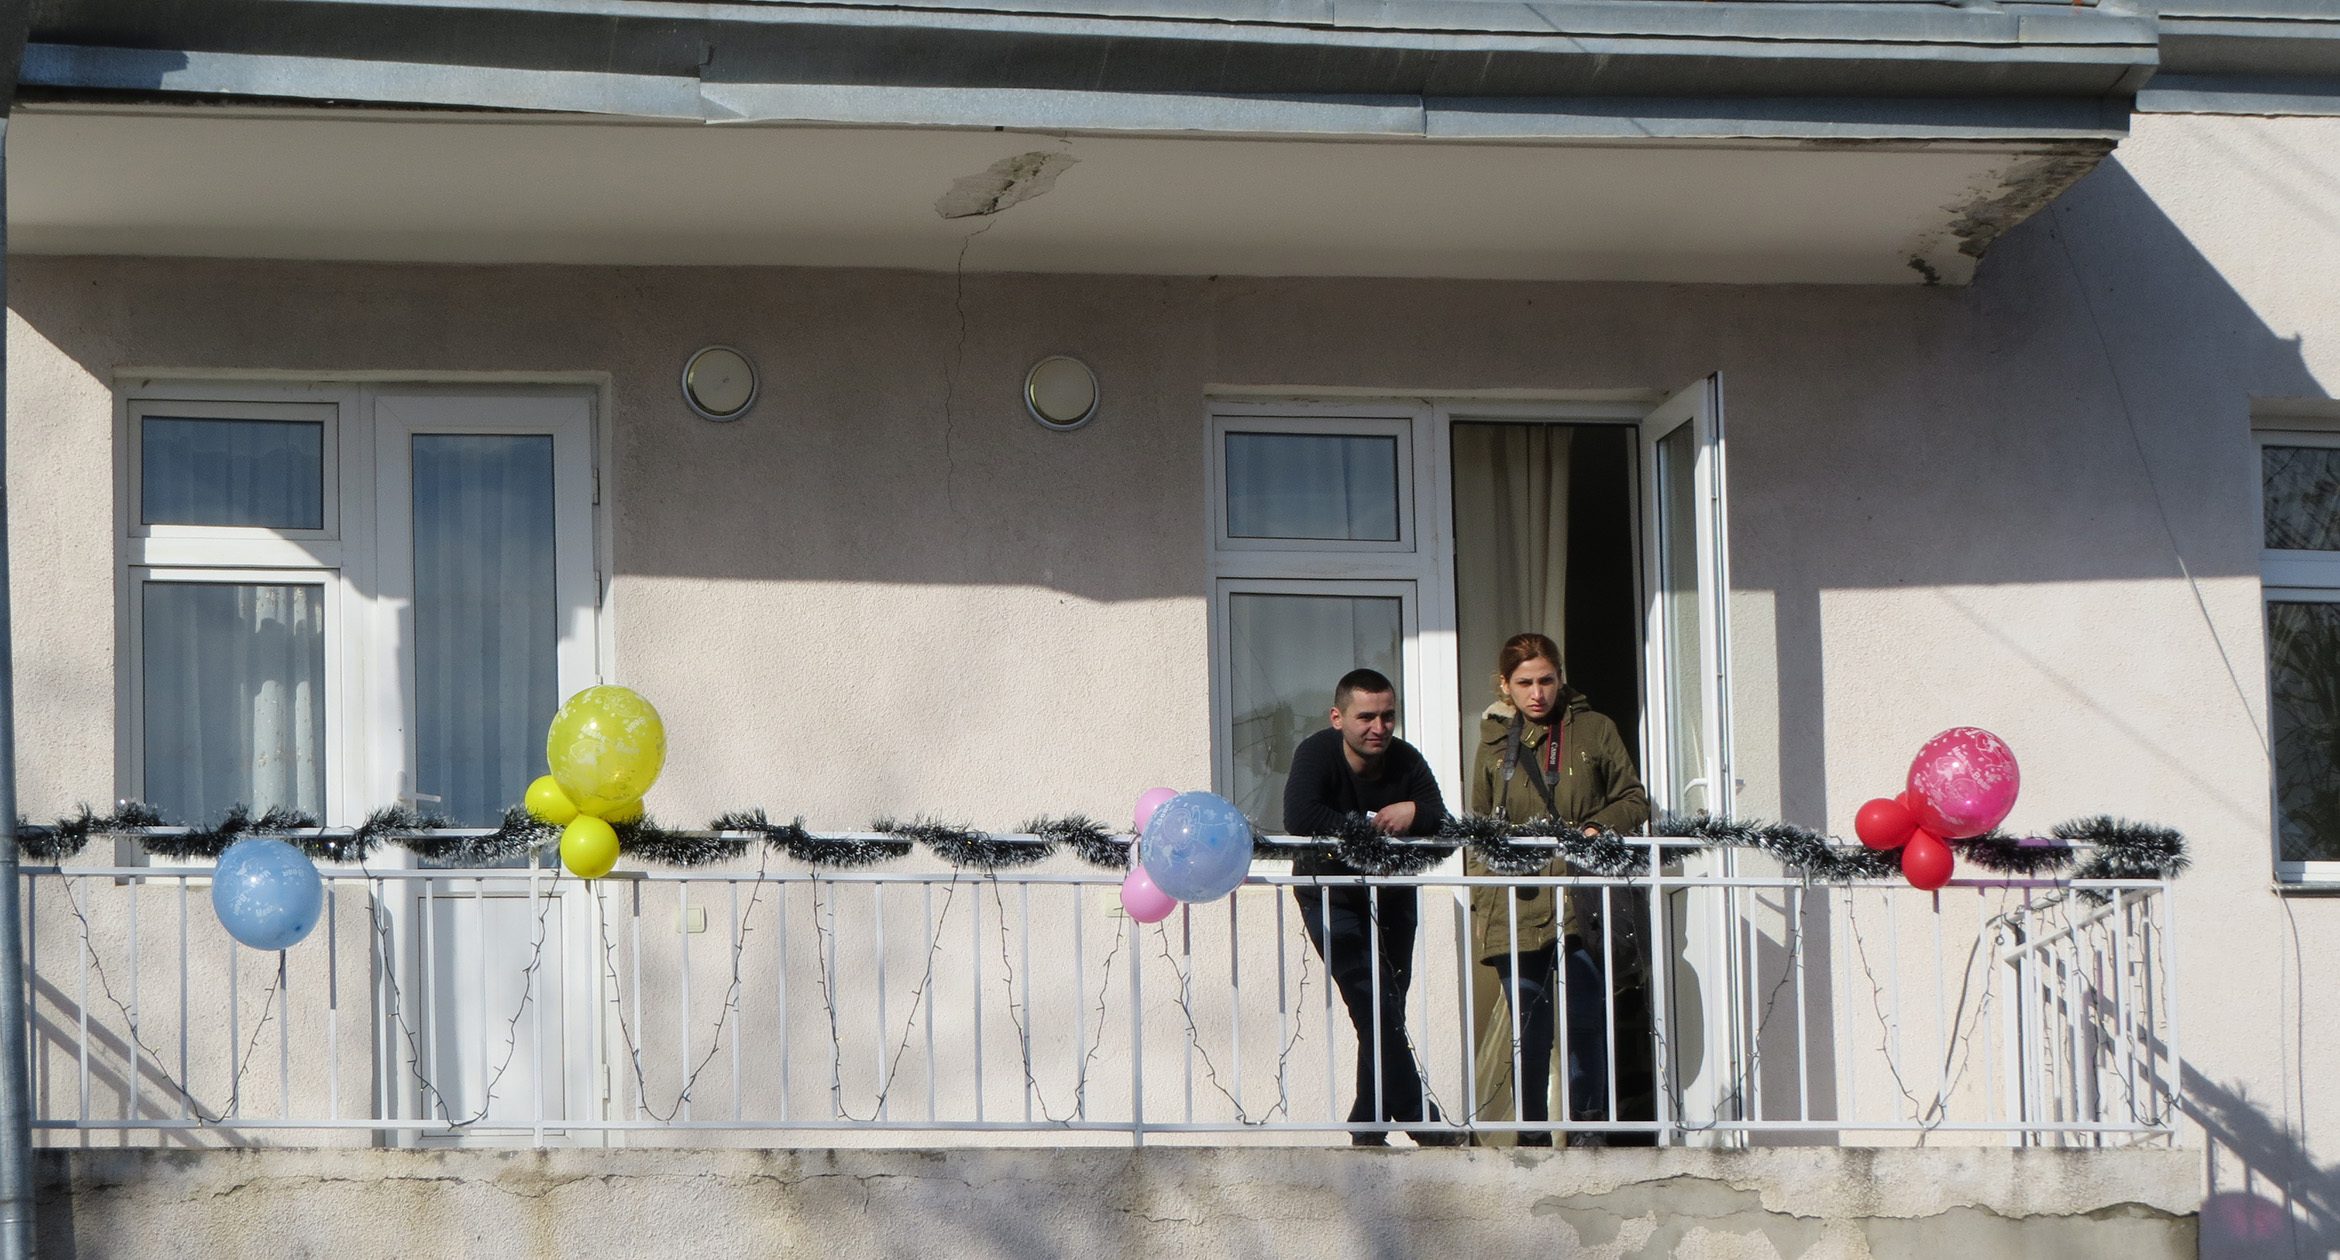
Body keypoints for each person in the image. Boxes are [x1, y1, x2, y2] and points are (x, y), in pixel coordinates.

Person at [1467, 633, 1648, 1146]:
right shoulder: (1493, 743)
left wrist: (1597, 827)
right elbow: (1479, 831)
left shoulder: (1594, 728)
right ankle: (1531, 1136)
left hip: (1582, 899)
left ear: (1561, 678)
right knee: (1529, 1029)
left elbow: (1634, 799)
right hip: (1516, 904)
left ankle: (1589, 1131)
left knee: (1586, 1021)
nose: (1537, 693)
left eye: (1546, 680)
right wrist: (1483, 902)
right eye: (1524, 682)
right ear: (1505, 686)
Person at [1283, 668, 1463, 1147]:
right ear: (1337, 718)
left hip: (1394, 894)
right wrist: (1371, 830)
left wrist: (1415, 812)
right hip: (1330, 893)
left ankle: (1368, 1122)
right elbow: (1299, 815)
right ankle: (1421, 1121)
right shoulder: (1316, 753)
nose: (1378, 728)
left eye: (1387, 716)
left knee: (1386, 1008)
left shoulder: (1406, 759)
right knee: (1372, 1004)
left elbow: (1444, 825)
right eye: (1365, 717)